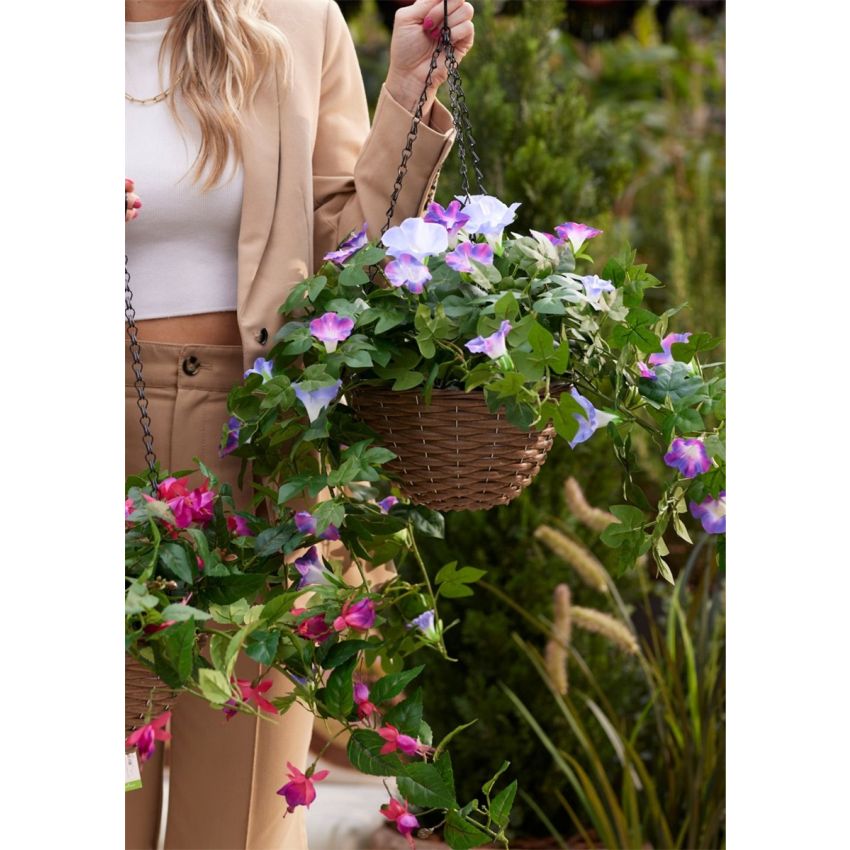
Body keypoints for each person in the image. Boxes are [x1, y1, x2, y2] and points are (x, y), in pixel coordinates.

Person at [124, 0, 474, 847]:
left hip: (258, 455)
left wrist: (403, 92)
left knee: (238, 823)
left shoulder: (297, 22)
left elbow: (352, 252)